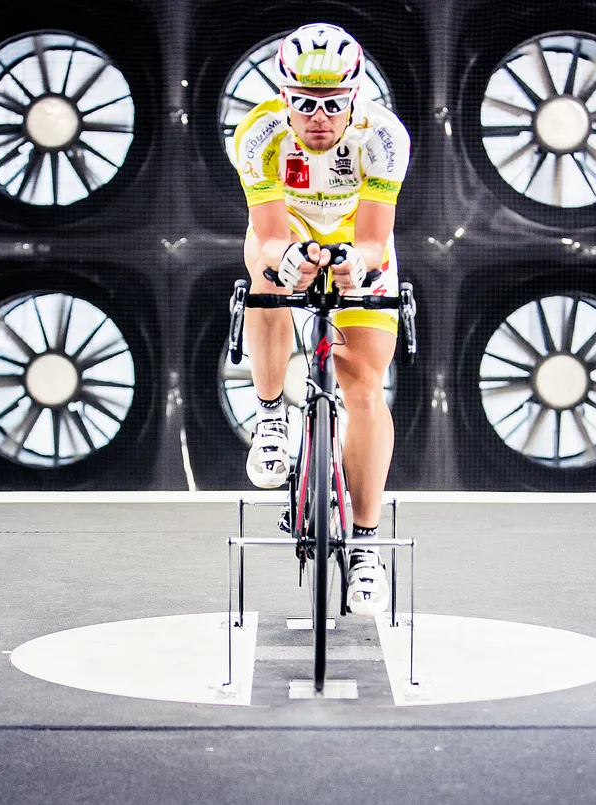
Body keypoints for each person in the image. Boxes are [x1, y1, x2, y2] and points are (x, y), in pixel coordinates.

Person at [233, 22, 410, 616]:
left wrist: (356, 270)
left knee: (363, 385)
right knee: (265, 279)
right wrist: (287, 264)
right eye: (304, 104)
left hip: (357, 244)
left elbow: (373, 239)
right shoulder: (258, 135)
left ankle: (364, 546)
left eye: (333, 105)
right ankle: (270, 417)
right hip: (294, 232)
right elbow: (270, 234)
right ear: (283, 97)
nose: (318, 118)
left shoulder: (383, 136)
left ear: (355, 97)